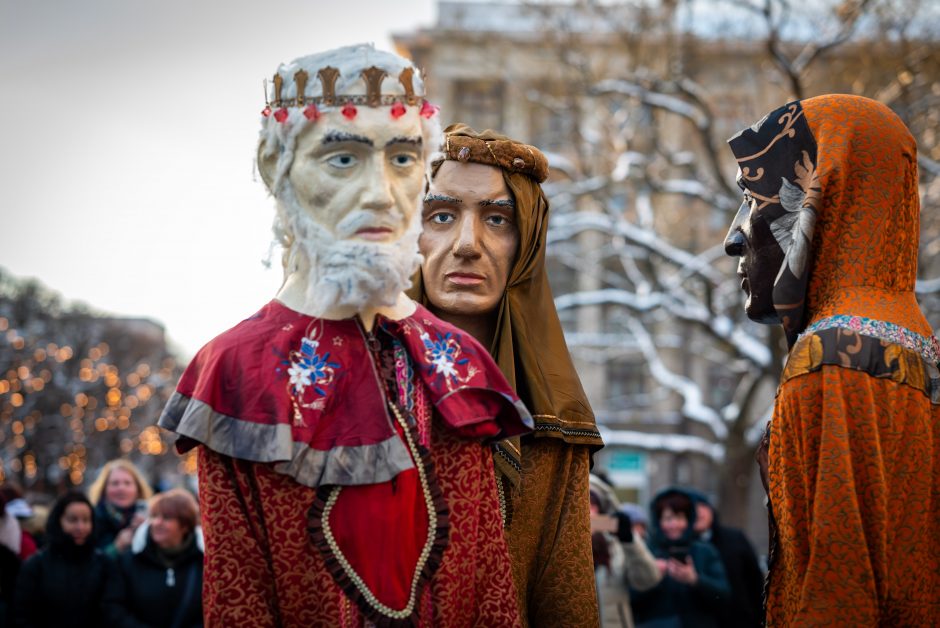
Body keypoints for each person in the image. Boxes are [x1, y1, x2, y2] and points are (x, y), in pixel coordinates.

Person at [157, 44, 532, 626]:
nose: (382, 192)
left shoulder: (458, 361)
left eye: (404, 159)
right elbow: (239, 603)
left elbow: (491, 598)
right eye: (342, 159)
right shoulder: (235, 370)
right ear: (274, 166)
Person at [723, 94, 940, 625]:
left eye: (753, 197)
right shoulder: (918, 344)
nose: (734, 238)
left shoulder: (831, 355)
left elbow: (836, 581)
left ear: (822, 198)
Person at [409, 124, 604, 625]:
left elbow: (565, 597)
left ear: (528, 241)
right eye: (442, 215)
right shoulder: (348, 379)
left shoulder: (554, 411)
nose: (467, 244)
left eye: (497, 218)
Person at [630, 488, 730, 628]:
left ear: (689, 520)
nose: (674, 525)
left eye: (679, 518)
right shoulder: (647, 553)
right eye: (667, 519)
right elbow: (630, 598)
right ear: (658, 521)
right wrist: (652, 577)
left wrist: (694, 579)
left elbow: (724, 596)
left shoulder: (705, 551)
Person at [103, 489, 202, 627]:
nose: (156, 523)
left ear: (185, 525)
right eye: (154, 516)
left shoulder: (203, 563)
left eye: (166, 518)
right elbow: (114, 609)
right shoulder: (130, 560)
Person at [12, 492, 112, 628]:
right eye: (72, 520)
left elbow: (111, 612)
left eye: (86, 520)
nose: (80, 527)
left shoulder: (104, 564)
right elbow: (22, 615)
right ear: (58, 521)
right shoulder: (36, 565)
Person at [589, 475, 661, 628]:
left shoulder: (616, 544)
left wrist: (630, 541)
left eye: (593, 505)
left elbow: (648, 580)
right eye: (580, 503)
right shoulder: (554, 544)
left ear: (601, 510)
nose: (588, 512)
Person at [687, 492, 762, 628]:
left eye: (702, 506)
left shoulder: (735, 538)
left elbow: (755, 581)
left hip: (740, 620)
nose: (698, 513)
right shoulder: (681, 547)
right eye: (692, 508)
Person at [88, 459, 153, 558]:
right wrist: (115, 548)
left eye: (127, 483)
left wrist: (148, 532)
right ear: (104, 489)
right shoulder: (91, 519)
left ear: (138, 489)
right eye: (115, 483)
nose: (121, 488)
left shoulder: (152, 518)